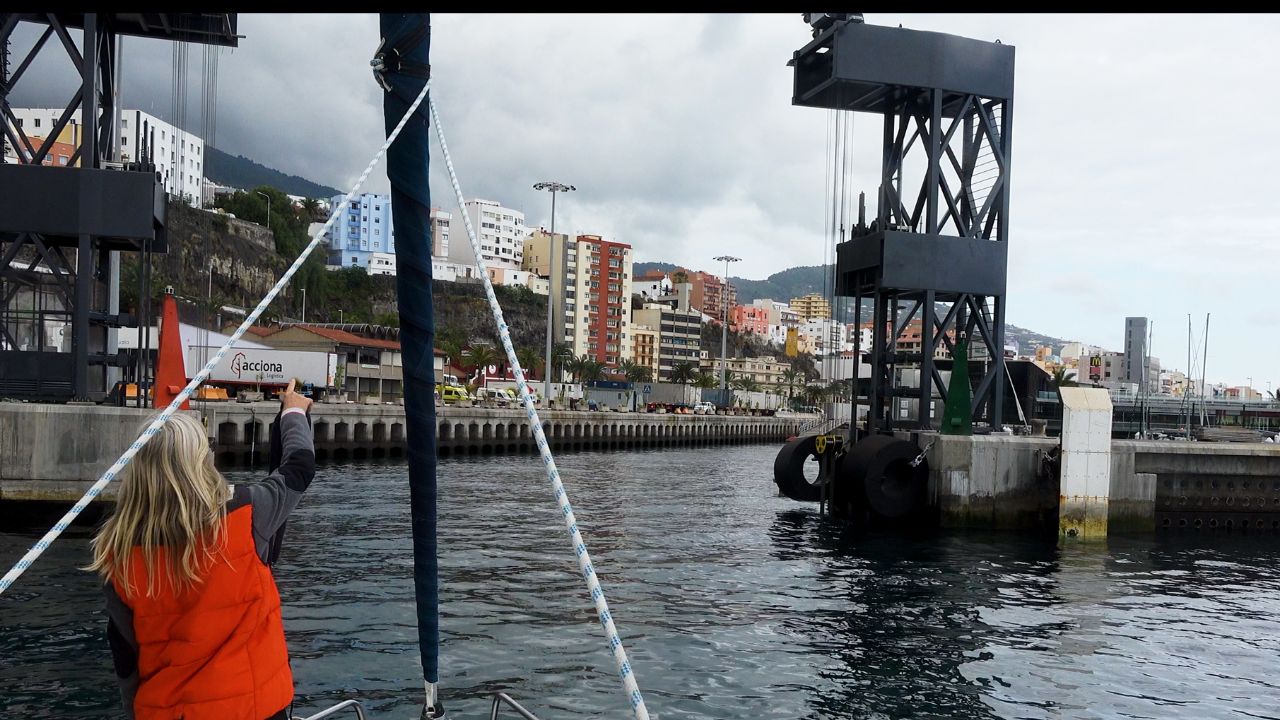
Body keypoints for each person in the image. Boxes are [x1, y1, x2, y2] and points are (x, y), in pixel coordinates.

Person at [89, 380, 315, 720]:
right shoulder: (246, 513)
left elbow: (126, 658)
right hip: (252, 707)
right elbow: (298, 468)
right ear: (200, 462)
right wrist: (294, 410)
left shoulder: (115, 552)